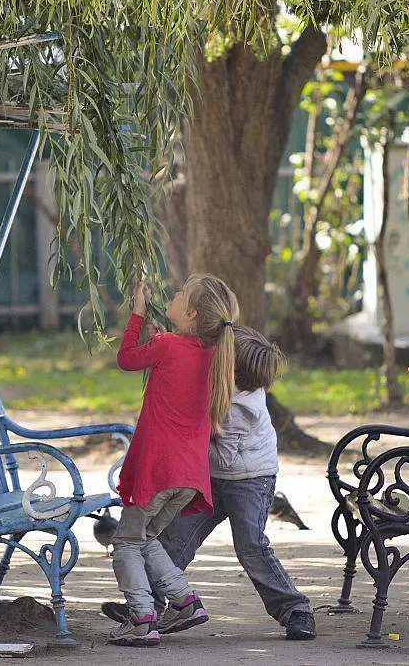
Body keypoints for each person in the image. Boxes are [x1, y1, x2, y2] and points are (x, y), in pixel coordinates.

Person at [102, 325, 317, 641]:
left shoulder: (241, 408)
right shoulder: (222, 385)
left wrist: (186, 443)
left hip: (249, 481)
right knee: (173, 539)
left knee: (251, 546)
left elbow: (223, 457)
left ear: (229, 370)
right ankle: (147, 603)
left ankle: (295, 610)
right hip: (212, 478)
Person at [108, 274, 239, 647]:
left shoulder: (166, 346)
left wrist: (136, 313)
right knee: (146, 537)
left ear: (192, 312)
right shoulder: (215, 355)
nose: (175, 293)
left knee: (126, 543)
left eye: (180, 294)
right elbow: (174, 361)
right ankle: (184, 602)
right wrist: (159, 336)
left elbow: (126, 359)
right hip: (188, 476)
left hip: (158, 471)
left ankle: (142, 618)